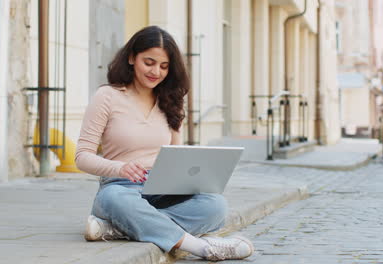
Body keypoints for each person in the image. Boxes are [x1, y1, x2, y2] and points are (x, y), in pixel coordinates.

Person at [75, 25, 254, 261]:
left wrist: (192, 176)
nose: (155, 71)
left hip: (163, 189)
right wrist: (120, 168)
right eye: (148, 62)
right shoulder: (107, 96)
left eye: (163, 66)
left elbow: (176, 154)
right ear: (131, 58)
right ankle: (201, 248)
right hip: (120, 186)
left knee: (215, 205)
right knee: (115, 200)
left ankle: (120, 228)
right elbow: (82, 156)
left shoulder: (171, 100)